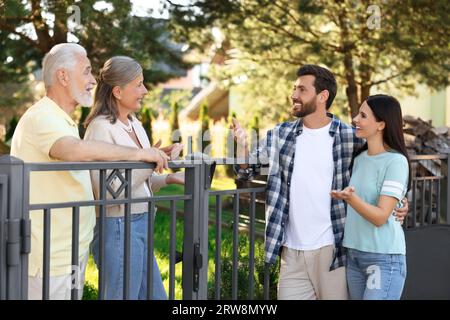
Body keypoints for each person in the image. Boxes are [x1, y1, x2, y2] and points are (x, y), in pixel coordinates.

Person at [231, 65, 409, 300]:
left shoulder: (349, 136)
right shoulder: (280, 135)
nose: (294, 95)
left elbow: (384, 166)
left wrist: (399, 202)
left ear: (322, 96)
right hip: (291, 251)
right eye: (294, 88)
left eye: (302, 89)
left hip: (333, 251)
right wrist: (242, 147)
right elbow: (246, 171)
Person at [10, 43, 171, 300]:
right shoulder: (42, 117)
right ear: (63, 76)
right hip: (48, 257)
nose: (93, 81)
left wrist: (163, 171)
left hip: (70, 251)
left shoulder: (64, 121)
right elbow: (72, 150)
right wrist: (140, 155)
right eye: (86, 71)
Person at [84, 56, 184, 300]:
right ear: (118, 91)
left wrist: (168, 178)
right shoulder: (100, 128)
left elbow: (139, 184)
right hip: (117, 226)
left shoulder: (135, 125)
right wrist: (150, 161)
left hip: (141, 222)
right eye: (138, 84)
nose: (145, 90)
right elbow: (109, 192)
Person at [330, 94, 410, 300]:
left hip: (383, 258)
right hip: (354, 255)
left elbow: (381, 217)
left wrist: (351, 199)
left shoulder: (396, 162)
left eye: (363, 115)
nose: (355, 119)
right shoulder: (359, 158)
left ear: (381, 124)